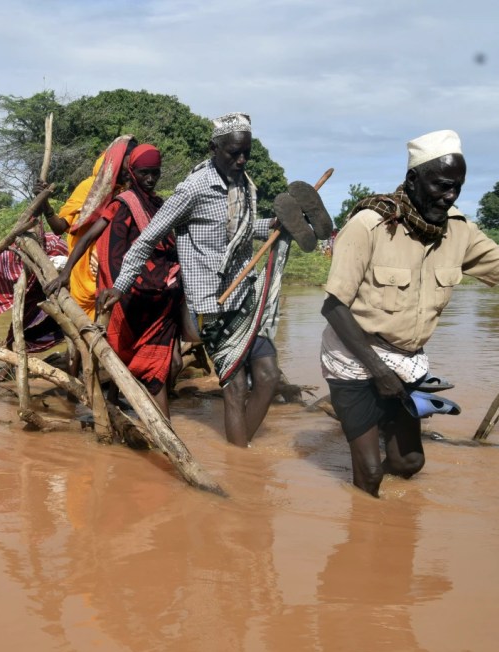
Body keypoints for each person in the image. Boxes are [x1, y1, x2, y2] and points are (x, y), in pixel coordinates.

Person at [321, 130, 499, 497]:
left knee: (409, 464)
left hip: (407, 359)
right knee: (371, 473)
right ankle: (364, 523)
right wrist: (379, 372)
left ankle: (390, 526)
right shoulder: (369, 226)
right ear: (412, 179)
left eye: (457, 187)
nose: (450, 195)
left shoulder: (459, 231)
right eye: (441, 185)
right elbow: (333, 307)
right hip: (355, 355)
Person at [99, 113, 301, 447]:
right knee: (235, 389)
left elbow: (242, 230)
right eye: (233, 153)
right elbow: (147, 238)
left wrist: (276, 224)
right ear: (214, 147)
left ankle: (243, 460)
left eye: (245, 153)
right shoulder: (193, 189)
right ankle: (241, 467)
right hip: (212, 305)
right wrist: (120, 287)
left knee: (267, 377)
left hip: (245, 298)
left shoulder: (242, 186)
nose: (241, 160)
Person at [92, 144, 182, 418]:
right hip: (132, 291)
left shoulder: (160, 204)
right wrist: (66, 269)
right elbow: (102, 240)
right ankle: (154, 425)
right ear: (132, 172)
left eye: (155, 173)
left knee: (165, 364)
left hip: (162, 296)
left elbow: (171, 243)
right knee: (130, 356)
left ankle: (155, 424)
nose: (151, 179)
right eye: (145, 173)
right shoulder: (124, 203)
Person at [36, 136, 135, 320]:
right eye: (127, 161)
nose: (130, 167)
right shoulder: (89, 187)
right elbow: (59, 227)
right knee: (83, 326)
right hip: (84, 269)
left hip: (114, 270)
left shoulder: (130, 192)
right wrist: (45, 203)